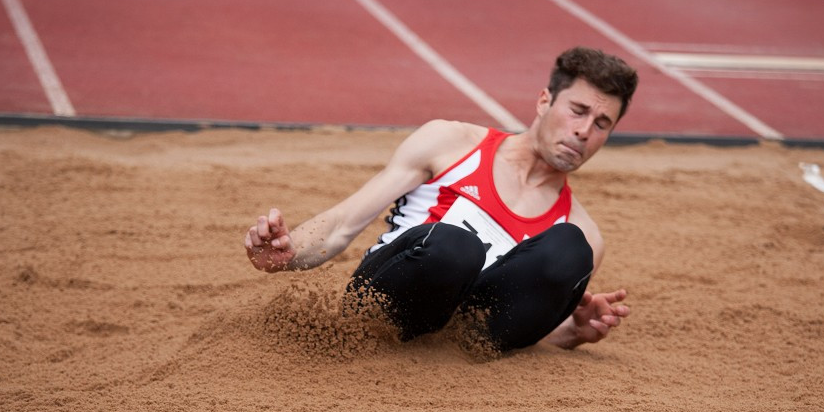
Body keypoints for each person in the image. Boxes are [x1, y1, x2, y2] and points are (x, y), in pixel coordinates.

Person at [244, 47, 636, 353]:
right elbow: (344, 223)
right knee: (454, 246)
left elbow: (525, 327)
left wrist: (574, 332)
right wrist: (290, 252)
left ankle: (451, 357)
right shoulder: (451, 143)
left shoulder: (582, 230)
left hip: (460, 349)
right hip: (385, 305)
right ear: (544, 101)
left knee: (571, 249)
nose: (584, 131)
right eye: (578, 111)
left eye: (602, 124)